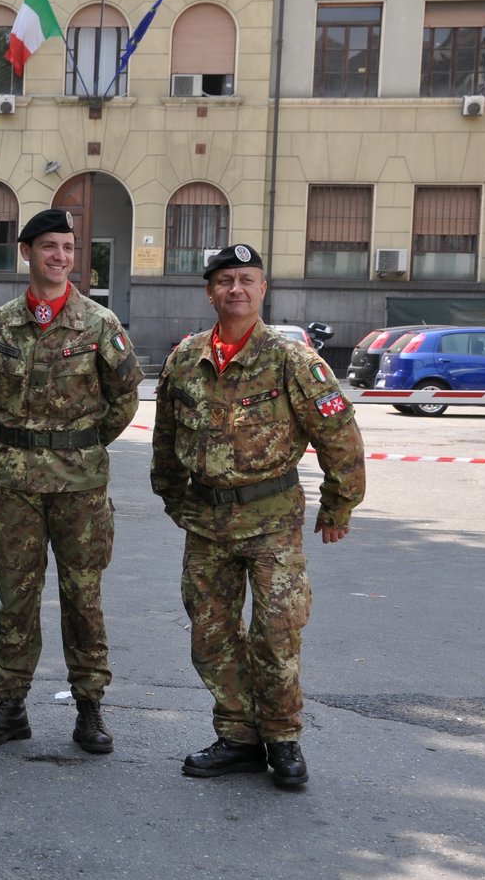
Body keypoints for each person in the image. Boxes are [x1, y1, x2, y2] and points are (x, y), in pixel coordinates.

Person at [150, 243, 365, 788]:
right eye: (225, 281)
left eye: (247, 279)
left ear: (263, 289)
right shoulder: (185, 359)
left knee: (276, 634)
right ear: (210, 292)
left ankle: (284, 739)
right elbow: (166, 438)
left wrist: (339, 504)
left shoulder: (293, 361)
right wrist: (174, 497)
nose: (236, 290)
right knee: (211, 635)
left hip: (271, 522)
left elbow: (338, 436)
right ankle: (238, 738)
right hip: (205, 524)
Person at [0, 209, 143, 754]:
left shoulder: (100, 325)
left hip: (80, 487)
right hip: (18, 485)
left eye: (68, 247)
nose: (60, 256)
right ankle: (11, 705)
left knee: (82, 596)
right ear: (27, 252)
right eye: (49, 246)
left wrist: (76, 447)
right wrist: (27, 448)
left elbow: (124, 401)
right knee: (15, 596)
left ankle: (89, 708)